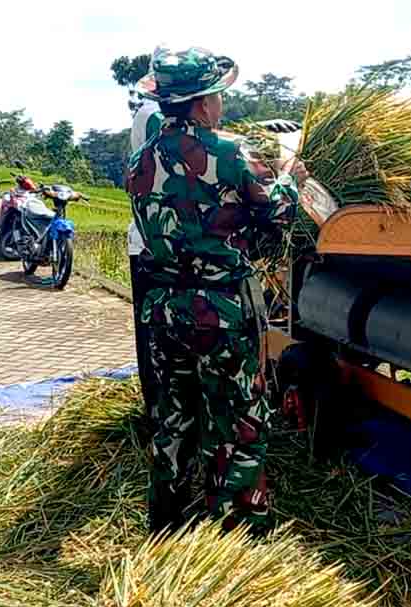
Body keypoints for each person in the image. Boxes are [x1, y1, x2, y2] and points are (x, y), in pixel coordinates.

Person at [126, 46, 308, 535]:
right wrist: (291, 178)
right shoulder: (229, 153)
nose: (221, 105)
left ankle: (165, 524)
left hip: (164, 309)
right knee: (238, 421)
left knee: (173, 420)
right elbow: (277, 213)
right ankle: (238, 533)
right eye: (218, 96)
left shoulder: (140, 160)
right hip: (221, 311)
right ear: (203, 103)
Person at [128, 99, 163, 417]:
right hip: (153, 248)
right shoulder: (154, 114)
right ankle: (157, 412)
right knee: (155, 336)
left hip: (160, 246)